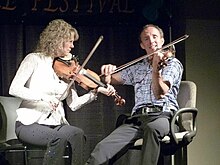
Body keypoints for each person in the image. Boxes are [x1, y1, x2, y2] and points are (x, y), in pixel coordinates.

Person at [9, 19, 116, 165]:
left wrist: (95, 92)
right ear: (58, 40)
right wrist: (44, 98)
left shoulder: (66, 70)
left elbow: (73, 104)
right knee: (57, 139)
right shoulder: (34, 59)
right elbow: (14, 88)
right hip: (29, 124)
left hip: (55, 123)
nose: (73, 46)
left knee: (78, 134)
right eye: (70, 41)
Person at [85, 24, 183, 165]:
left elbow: (159, 93)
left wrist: (156, 70)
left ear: (162, 40)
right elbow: (109, 79)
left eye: (154, 37)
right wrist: (107, 73)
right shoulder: (139, 67)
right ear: (142, 45)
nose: (151, 41)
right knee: (102, 149)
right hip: (137, 119)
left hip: (163, 116)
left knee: (152, 129)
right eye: (146, 39)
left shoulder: (172, 64)